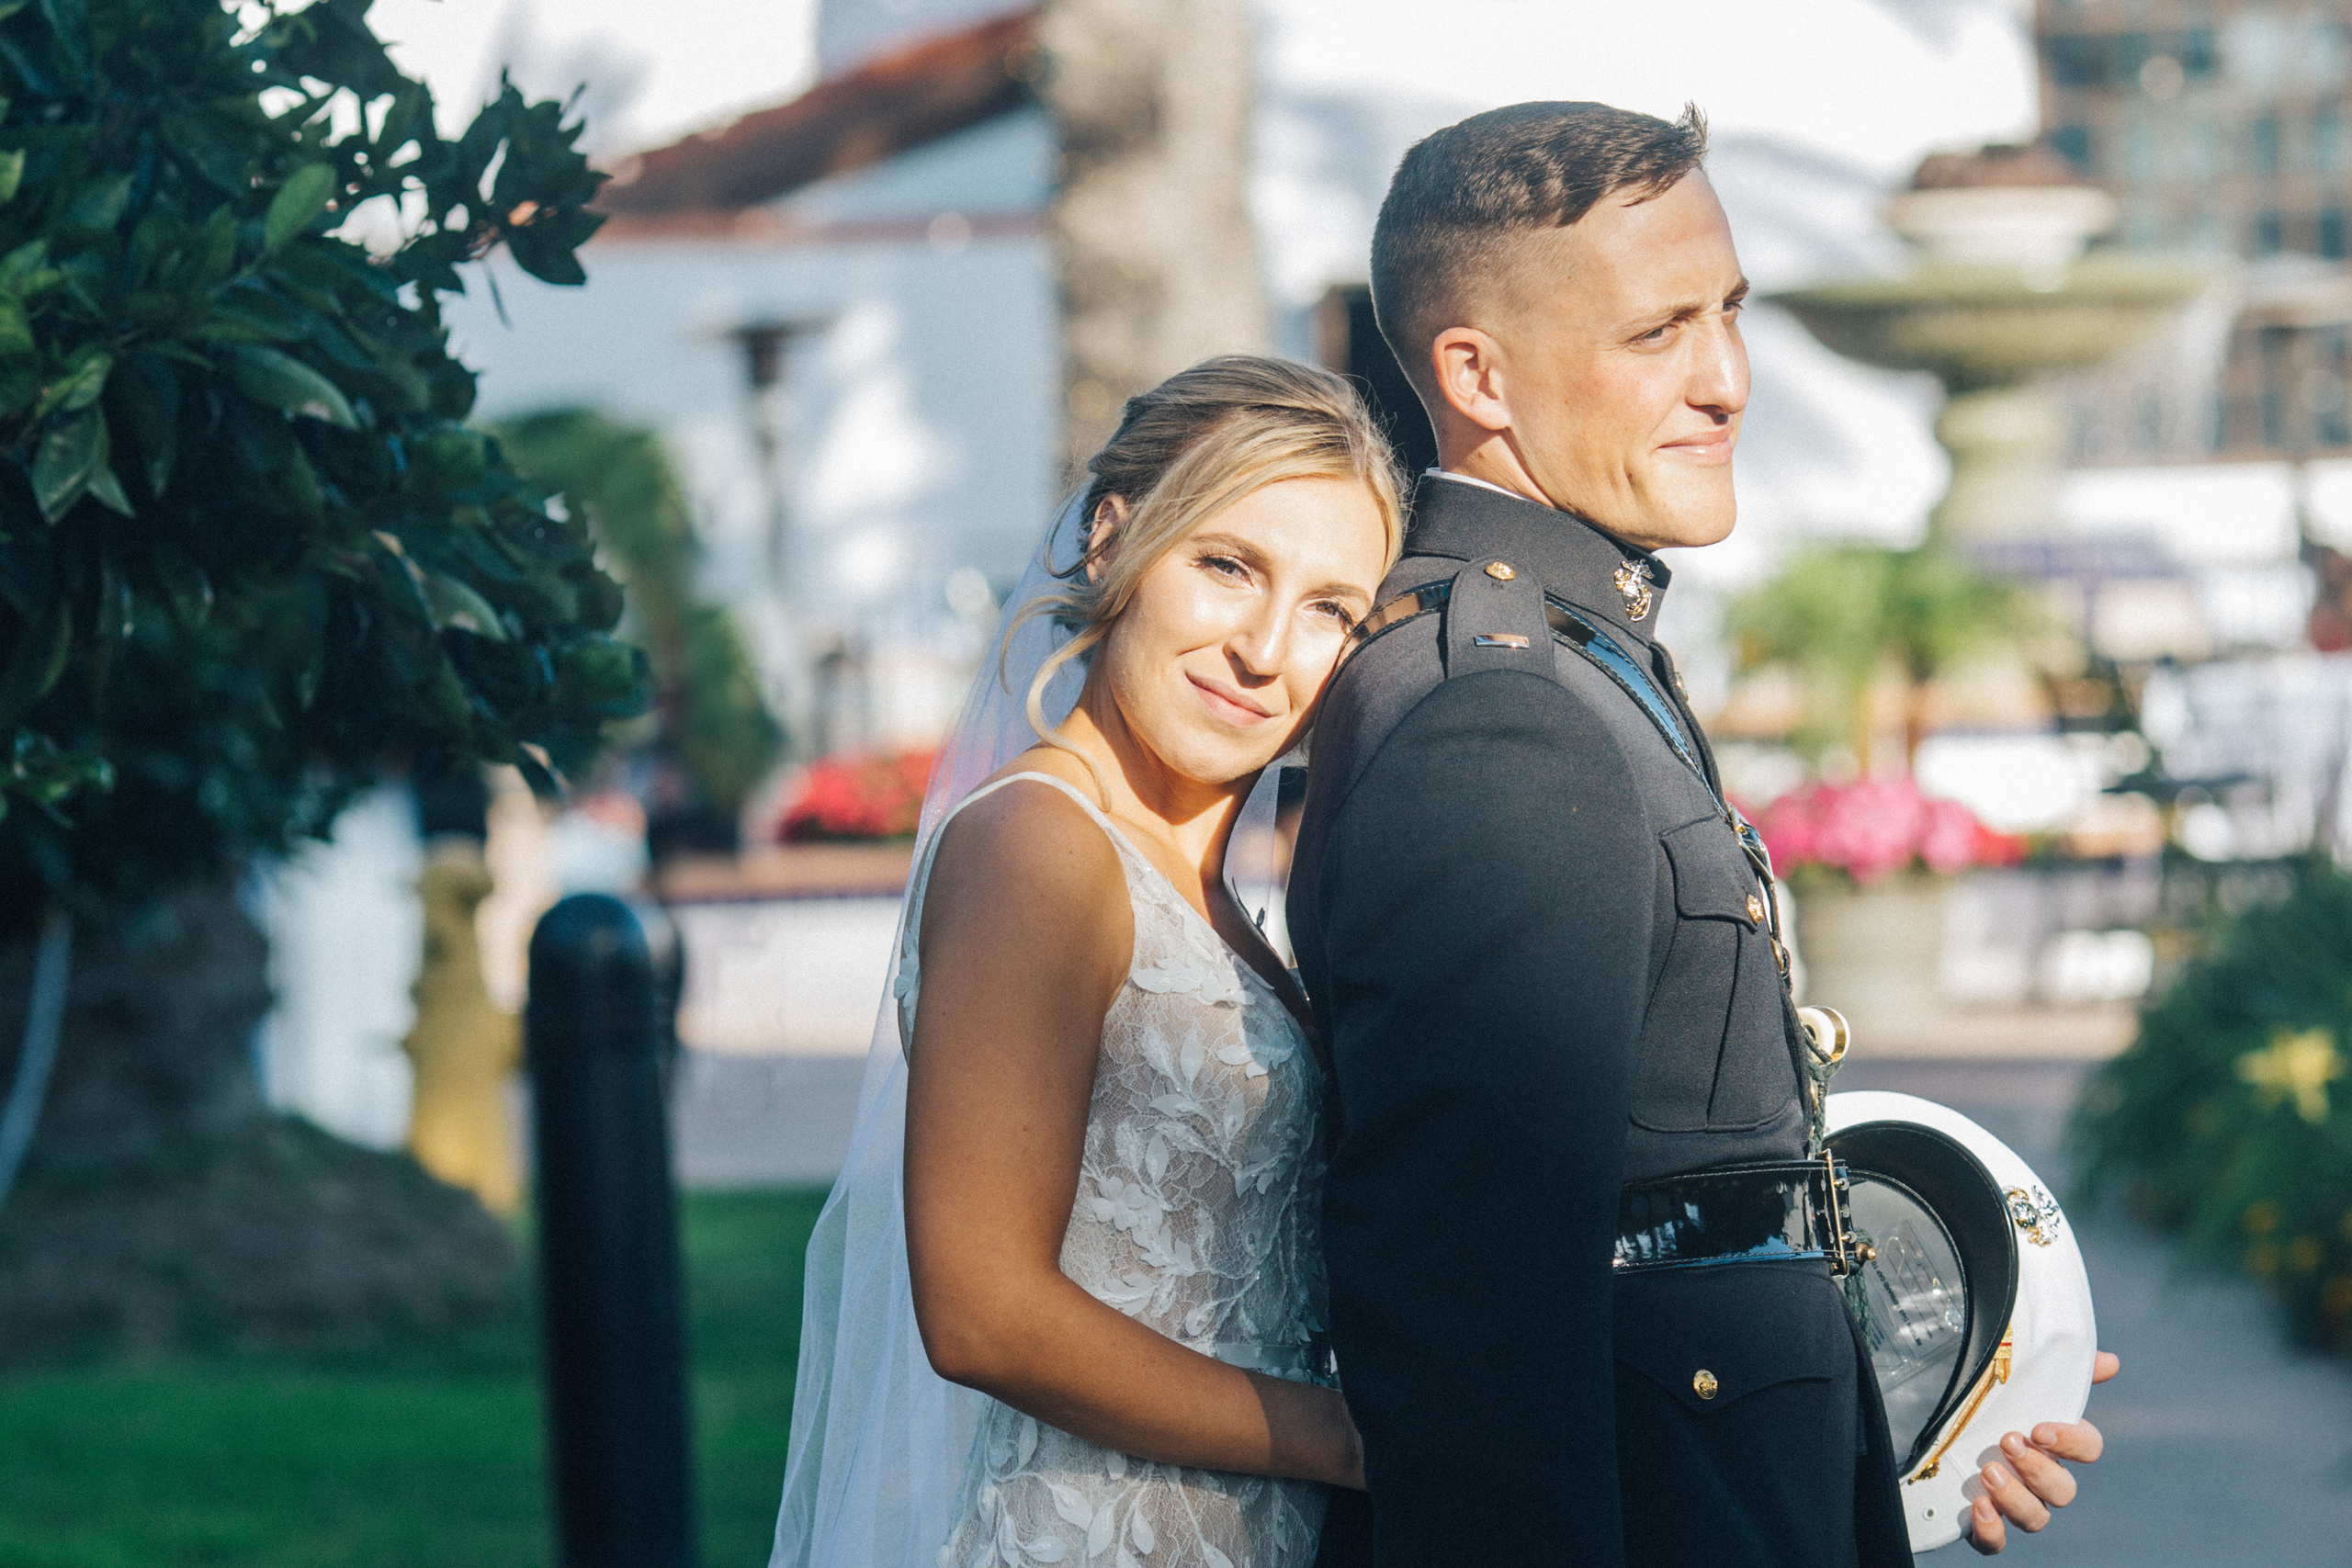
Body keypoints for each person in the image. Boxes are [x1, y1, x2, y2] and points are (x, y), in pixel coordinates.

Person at [1286, 102, 2118, 1568]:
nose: (1727, 378)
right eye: (1658, 332)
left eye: (1727, 312)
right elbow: (1481, 1342)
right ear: (1477, 373)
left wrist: (1919, 1415)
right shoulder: (1504, 715)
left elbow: (1675, 1223)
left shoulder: (1576, 650)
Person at [772, 355, 1402, 1568]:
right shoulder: (1037, 850)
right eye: (1229, 567)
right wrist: (1347, 1438)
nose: (1268, 649)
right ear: (1113, 540)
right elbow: (981, 1312)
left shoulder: (1209, 897)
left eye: (1331, 608)